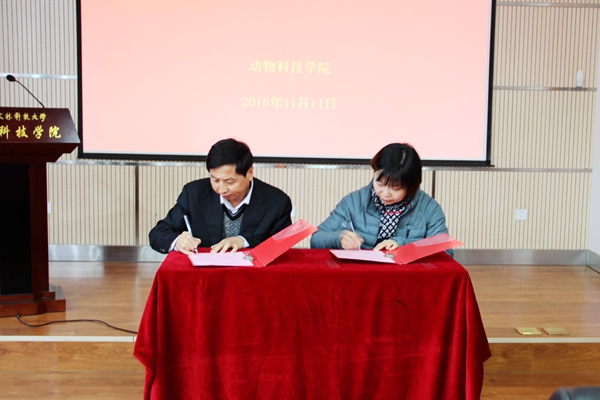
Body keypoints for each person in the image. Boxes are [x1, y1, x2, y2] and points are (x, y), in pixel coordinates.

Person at [149, 138, 293, 254]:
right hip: (205, 276)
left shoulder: (277, 202)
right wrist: (177, 241)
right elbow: (158, 233)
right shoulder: (194, 194)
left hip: (253, 276)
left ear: (249, 173)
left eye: (230, 181)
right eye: (215, 180)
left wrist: (243, 241)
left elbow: (281, 245)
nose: (222, 189)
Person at [310, 143, 452, 255]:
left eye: (395, 187)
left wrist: (403, 245)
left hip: (407, 279)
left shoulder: (429, 208)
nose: (385, 193)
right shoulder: (354, 202)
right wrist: (338, 238)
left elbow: (445, 252)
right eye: (380, 183)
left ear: (412, 185)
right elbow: (316, 239)